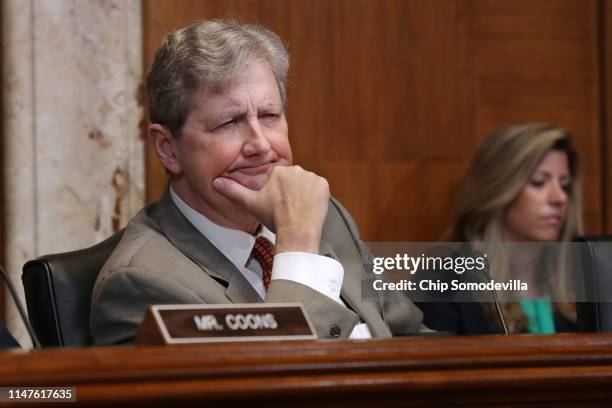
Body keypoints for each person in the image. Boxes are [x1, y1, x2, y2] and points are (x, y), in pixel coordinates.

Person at [90, 19, 423, 345]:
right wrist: (297, 248)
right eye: (230, 122)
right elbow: (278, 389)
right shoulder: (142, 283)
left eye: (269, 116)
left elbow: (412, 340)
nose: (261, 145)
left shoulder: (326, 215)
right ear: (168, 149)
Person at [417, 123, 582, 335]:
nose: (559, 198)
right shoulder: (444, 283)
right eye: (539, 182)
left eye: (564, 185)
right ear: (499, 188)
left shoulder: (580, 278)